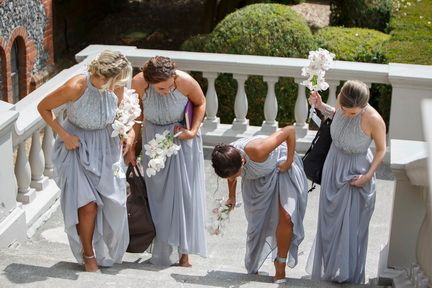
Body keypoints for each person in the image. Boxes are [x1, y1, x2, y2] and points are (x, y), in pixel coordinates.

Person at [38, 50, 132, 272]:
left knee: (116, 203)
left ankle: (107, 251)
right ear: (106, 77)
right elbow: (43, 107)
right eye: (117, 82)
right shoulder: (76, 86)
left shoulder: (116, 86)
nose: (119, 86)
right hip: (77, 147)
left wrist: (126, 133)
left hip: (107, 148)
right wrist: (64, 136)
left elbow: (119, 114)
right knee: (87, 206)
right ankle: (88, 254)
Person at [126, 55, 207, 267]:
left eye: (170, 86)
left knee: (182, 195)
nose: (166, 91)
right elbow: (138, 115)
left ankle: (184, 252)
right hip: (153, 139)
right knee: (157, 196)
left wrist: (193, 130)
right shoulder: (138, 83)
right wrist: (133, 145)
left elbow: (200, 103)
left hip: (181, 139)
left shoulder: (185, 81)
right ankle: (162, 249)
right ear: (149, 81)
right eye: (161, 89)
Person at [306, 80, 387, 284]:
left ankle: (347, 274)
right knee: (329, 223)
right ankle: (332, 269)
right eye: (345, 109)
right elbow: (336, 115)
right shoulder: (341, 104)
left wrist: (367, 177)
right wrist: (320, 106)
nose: (348, 115)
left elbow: (381, 149)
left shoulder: (374, 119)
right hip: (333, 166)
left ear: (364, 105)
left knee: (351, 228)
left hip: (356, 173)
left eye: (353, 113)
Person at [211, 125, 308, 283]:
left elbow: (290, 130)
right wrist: (231, 197)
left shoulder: (257, 149)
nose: (234, 177)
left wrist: (289, 161)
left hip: (281, 167)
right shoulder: (227, 159)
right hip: (257, 180)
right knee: (258, 226)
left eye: (237, 173)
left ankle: (280, 265)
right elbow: (231, 176)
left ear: (242, 161)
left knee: (287, 216)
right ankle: (255, 262)